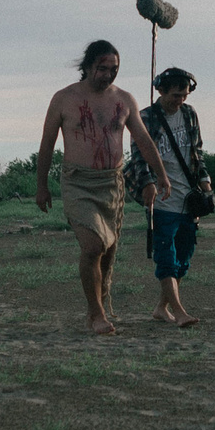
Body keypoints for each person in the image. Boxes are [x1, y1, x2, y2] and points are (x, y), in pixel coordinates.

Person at [37, 40, 172, 335]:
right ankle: (95, 313)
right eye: (102, 68)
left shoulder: (124, 100)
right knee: (93, 245)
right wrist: (41, 185)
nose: (108, 75)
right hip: (78, 182)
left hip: (112, 183)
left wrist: (161, 175)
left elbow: (143, 140)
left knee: (107, 251)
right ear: (87, 66)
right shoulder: (63, 99)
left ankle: (99, 305)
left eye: (114, 69)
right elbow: (47, 143)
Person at [124, 67, 212, 327]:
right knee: (166, 256)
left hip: (188, 196)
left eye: (184, 95)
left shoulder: (189, 114)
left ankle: (161, 308)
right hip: (161, 197)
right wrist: (148, 183)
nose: (179, 100)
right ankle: (180, 311)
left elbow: (197, 150)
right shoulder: (146, 118)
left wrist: (205, 180)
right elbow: (139, 156)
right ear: (160, 91)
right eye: (175, 95)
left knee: (184, 256)